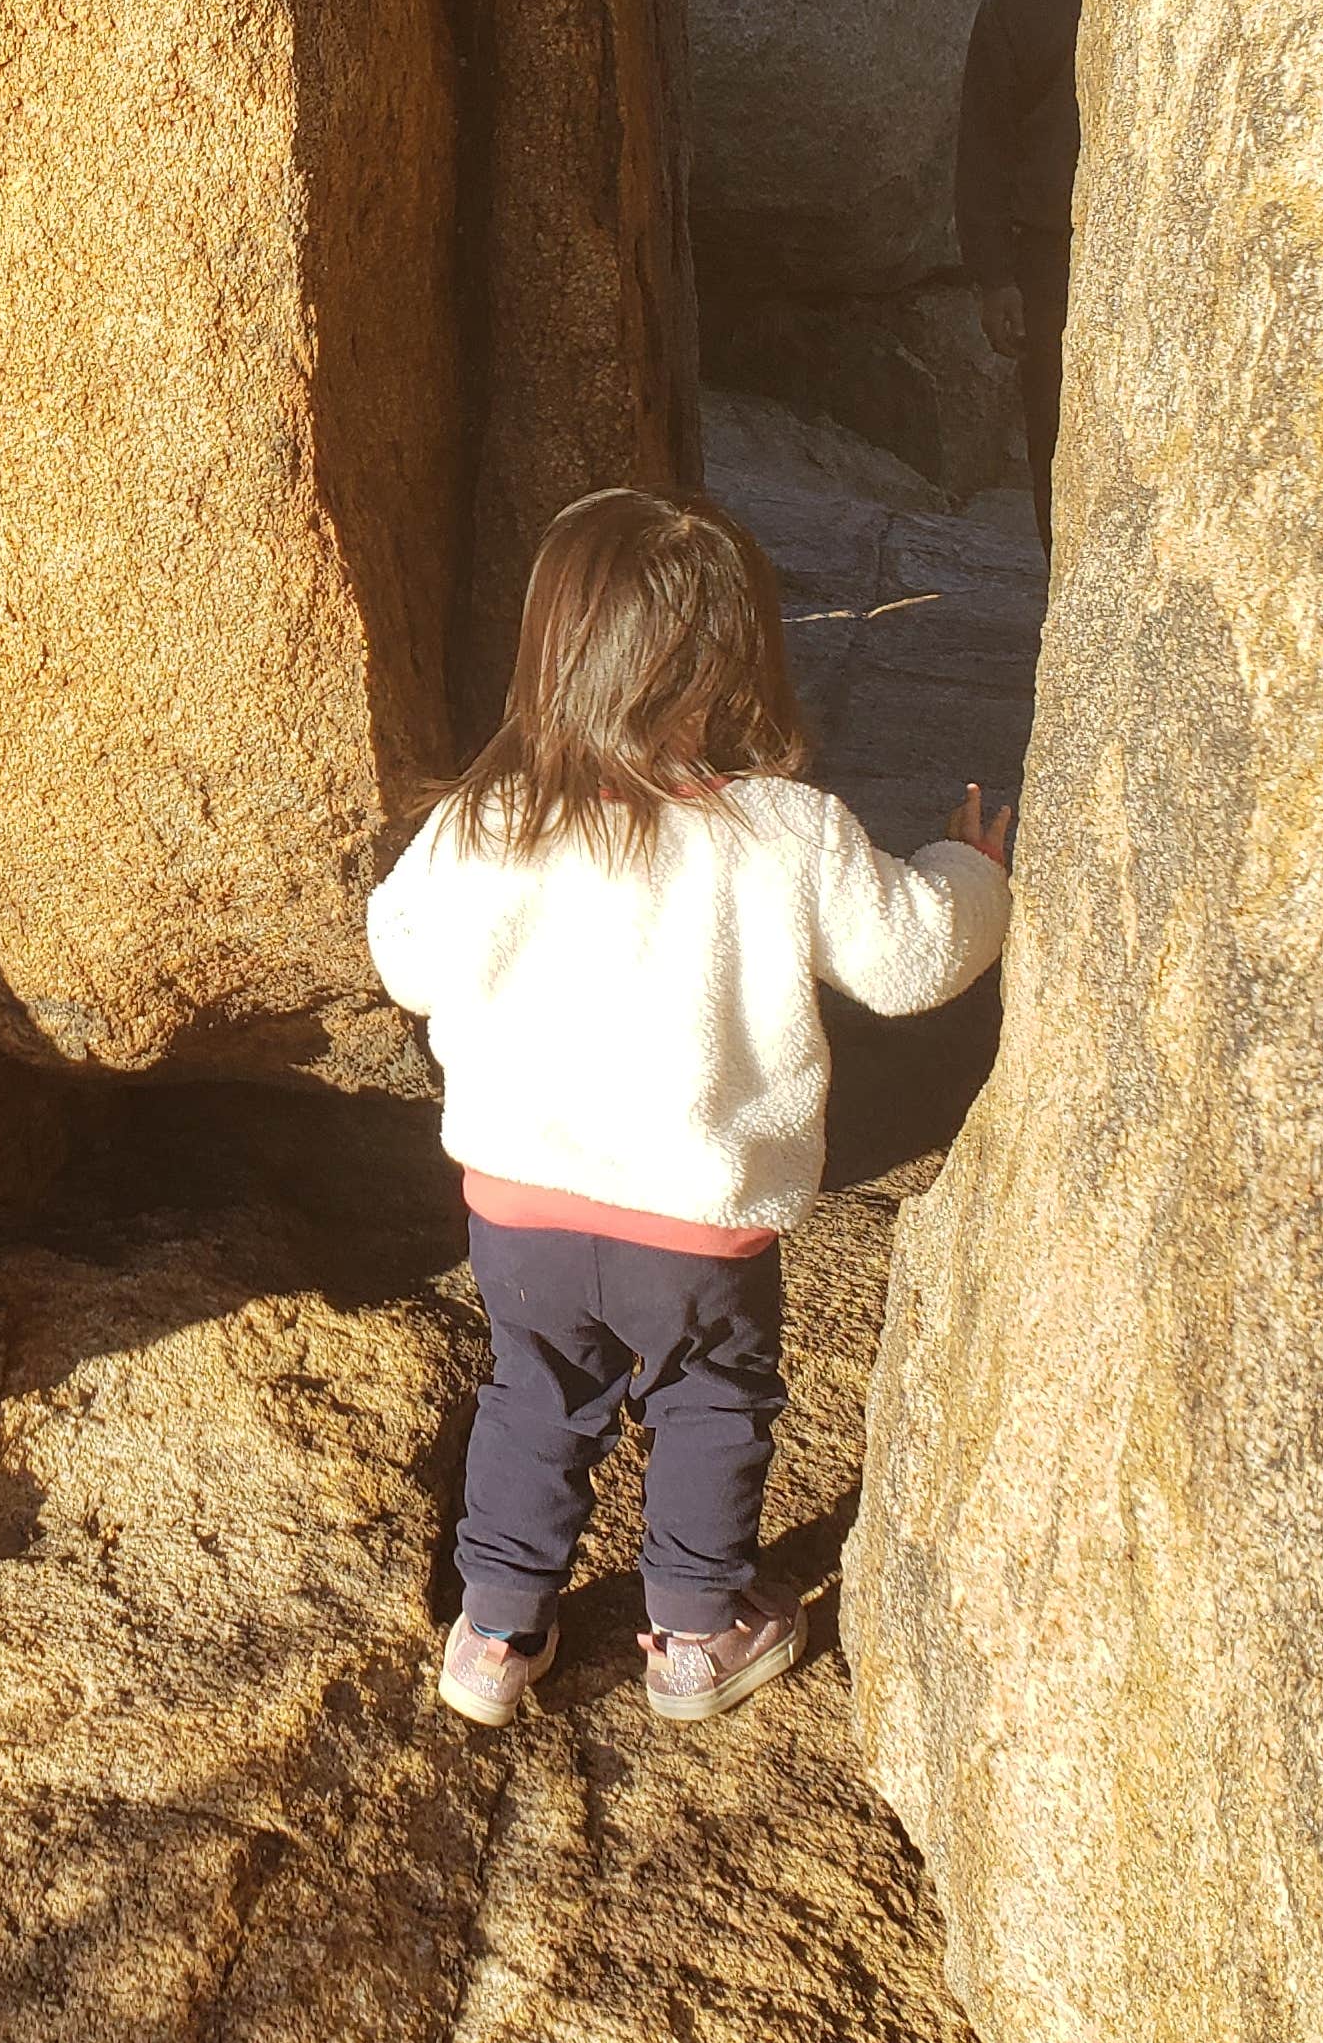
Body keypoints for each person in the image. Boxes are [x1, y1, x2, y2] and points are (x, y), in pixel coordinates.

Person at [366, 488, 1012, 1733]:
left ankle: (496, 1632)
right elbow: (913, 956)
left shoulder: (490, 819)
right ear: (738, 661)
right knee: (711, 1401)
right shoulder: (782, 831)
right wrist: (969, 874)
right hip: (694, 1224)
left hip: (522, 1204)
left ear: (551, 650)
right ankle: (698, 1633)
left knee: (531, 1393)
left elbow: (405, 957)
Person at [955, 0, 1098, 546]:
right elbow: (983, 141)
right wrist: (994, 277)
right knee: (1060, 440)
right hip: (1054, 260)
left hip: (1167, 241)